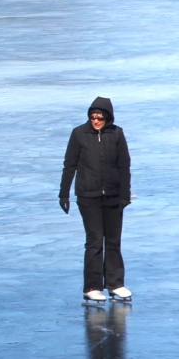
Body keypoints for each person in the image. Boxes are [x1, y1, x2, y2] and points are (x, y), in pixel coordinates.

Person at [59, 97, 132, 303]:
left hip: (113, 196)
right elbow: (69, 165)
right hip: (88, 197)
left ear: (107, 117)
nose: (96, 121)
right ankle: (92, 286)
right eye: (93, 117)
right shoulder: (79, 134)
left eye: (100, 117)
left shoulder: (116, 134)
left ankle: (115, 284)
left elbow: (124, 166)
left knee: (113, 242)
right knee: (94, 242)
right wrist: (63, 193)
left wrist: (124, 195)